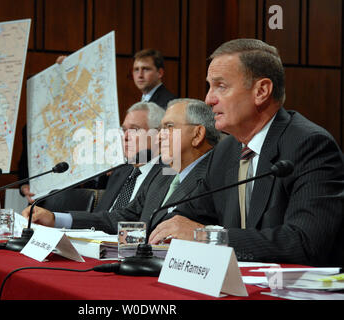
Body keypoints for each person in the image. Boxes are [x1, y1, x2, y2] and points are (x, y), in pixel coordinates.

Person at [149, 39, 344, 267]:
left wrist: (207, 237)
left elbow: (304, 242)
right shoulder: (225, 150)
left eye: (221, 86)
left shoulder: (309, 145)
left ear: (261, 91)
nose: (209, 99)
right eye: (209, 86)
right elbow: (187, 217)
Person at [22, 98, 221, 236]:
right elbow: (123, 217)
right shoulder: (164, 176)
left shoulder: (217, 175)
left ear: (197, 134)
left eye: (168, 127)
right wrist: (56, 219)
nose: (159, 136)